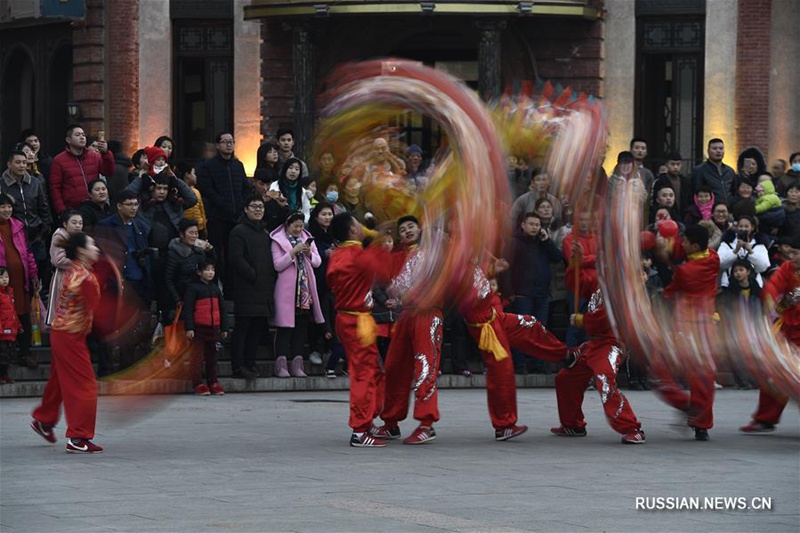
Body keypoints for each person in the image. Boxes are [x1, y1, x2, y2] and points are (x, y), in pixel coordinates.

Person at [462, 258, 575, 441]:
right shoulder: (451, 262)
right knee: (501, 370)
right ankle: (504, 425)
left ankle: (564, 354)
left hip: (493, 314)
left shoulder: (468, 255)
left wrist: (491, 270)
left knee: (529, 324)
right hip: (484, 324)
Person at [31, 232, 104, 453]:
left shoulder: (74, 271)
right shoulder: (84, 277)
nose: (96, 248)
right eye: (92, 245)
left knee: (60, 380)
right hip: (70, 336)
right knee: (84, 385)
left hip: (65, 333)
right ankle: (78, 436)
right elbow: (102, 312)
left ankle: (44, 419)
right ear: (81, 250)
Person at [373, 215, 443, 445]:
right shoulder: (399, 257)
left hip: (428, 313)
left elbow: (433, 282)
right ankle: (391, 422)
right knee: (394, 366)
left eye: (411, 226)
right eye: (402, 229)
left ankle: (426, 423)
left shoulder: (430, 254)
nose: (407, 231)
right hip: (406, 316)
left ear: (420, 229)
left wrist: (407, 295)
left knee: (425, 366)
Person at [326, 212, 394, 446]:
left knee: (372, 369)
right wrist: (380, 238)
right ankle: (359, 429)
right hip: (358, 320)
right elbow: (385, 269)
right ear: (353, 231)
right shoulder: (358, 256)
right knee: (364, 373)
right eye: (358, 224)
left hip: (347, 318)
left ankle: (367, 419)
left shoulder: (339, 255)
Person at [551, 282, 646, 444]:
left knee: (604, 379)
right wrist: (575, 261)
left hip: (612, 344)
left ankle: (632, 428)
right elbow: (576, 281)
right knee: (566, 378)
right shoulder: (598, 282)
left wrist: (582, 320)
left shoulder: (622, 288)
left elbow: (608, 316)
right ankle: (572, 424)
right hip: (594, 344)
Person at [653, 224, 719, 441]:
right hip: (706, 325)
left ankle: (686, 406)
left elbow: (675, 284)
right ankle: (701, 423)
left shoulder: (687, 272)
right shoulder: (713, 257)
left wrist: (663, 255)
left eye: (687, 241)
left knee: (661, 367)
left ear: (695, 245)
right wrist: (669, 244)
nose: (683, 244)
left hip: (687, 326)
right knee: (703, 376)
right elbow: (681, 253)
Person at [739, 235, 800, 433]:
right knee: (775, 371)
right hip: (790, 328)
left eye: (795, 253)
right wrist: (771, 300)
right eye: (791, 252)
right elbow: (774, 285)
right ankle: (766, 417)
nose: (791, 256)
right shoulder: (788, 268)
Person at [270, 211, 324, 378]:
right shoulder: (277, 241)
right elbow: (278, 265)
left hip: (304, 290)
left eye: (301, 226)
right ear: (288, 225)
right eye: (295, 226)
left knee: (301, 327)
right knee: (285, 327)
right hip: (287, 291)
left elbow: (317, 261)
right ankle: (281, 365)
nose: (298, 229)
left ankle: (297, 364)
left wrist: (308, 253)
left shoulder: (307, 238)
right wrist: (292, 252)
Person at [228, 195, 277, 379]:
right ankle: (238, 365)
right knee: (243, 328)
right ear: (246, 209)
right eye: (254, 206)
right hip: (246, 288)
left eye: (261, 207)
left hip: (263, 289)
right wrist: (253, 274)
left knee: (257, 329)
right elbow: (236, 259)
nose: (258, 209)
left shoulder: (265, 233)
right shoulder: (238, 231)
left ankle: (250, 362)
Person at [196, 132, 252, 285]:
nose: (229, 145)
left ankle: (231, 288)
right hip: (217, 217)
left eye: (231, 142)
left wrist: (241, 204)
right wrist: (221, 202)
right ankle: (213, 285)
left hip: (236, 218)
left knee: (233, 254)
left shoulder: (238, 165)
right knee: (216, 254)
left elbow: (245, 187)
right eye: (225, 142)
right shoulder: (208, 166)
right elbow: (207, 190)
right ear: (217, 145)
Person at [0, 193, 39, 369]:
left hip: (20, 280)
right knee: (5, 316)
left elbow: (28, 253)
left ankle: (25, 353)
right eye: (3, 207)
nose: (7, 210)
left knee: (23, 316)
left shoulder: (18, 226)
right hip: (3, 281)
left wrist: (33, 275)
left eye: (9, 206)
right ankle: (6, 359)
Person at [183, 258, 228, 396]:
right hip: (199, 328)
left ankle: (213, 382)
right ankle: (198, 383)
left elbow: (222, 309)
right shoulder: (193, 288)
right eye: (207, 270)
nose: (210, 273)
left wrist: (224, 327)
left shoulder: (215, 289)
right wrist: (189, 327)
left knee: (212, 357)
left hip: (213, 328)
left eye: (212, 270)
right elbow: (188, 309)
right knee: (197, 358)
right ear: (199, 272)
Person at [49, 124, 115, 214]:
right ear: (68, 139)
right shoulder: (59, 160)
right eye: (77, 135)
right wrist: (62, 210)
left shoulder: (94, 156)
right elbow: (55, 188)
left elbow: (108, 172)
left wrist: (106, 153)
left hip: (94, 206)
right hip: (72, 209)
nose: (82, 137)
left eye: (83, 135)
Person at [164, 219, 215, 317]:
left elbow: (210, 267)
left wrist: (210, 251)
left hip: (199, 296)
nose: (194, 236)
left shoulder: (199, 251)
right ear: (182, 234)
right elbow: (168, 278)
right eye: (191, 233)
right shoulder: (174, 253)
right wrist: (177, 300)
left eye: (196, 233)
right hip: (182, 296)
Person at [46, 210, 84, 326]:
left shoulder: (81, 236)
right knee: (62, 311)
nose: (78, 226)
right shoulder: (59, 236)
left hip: (78, 277)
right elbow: (59, 260)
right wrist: (80, 263)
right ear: (65, 224)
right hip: (63, 276)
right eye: (74, 222)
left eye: (80, 223)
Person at [717, 215, 770, 288]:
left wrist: (751, 251)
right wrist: (735, 251)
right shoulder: (727, 242)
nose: (743, 229)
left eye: (746, 226)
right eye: (740, 226)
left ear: (752, 227)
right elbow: (720, 263)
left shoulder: (759, 244)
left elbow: (763, 266)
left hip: (753, 284)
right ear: (736, 227)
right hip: (729, 283)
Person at [691, 138, 736, 204]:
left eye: (721, 148)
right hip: (709, 210)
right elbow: (696, 192)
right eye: (714, 149)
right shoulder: (699, 170)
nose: (718, 151)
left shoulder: (730, 171)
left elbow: (734, 191)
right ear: (708, 151)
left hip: (728, 210)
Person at [269, 158, 311, 223]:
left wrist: (302, 223)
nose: (293, 171)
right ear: (285, 169)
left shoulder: (302, 191)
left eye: (297, 169)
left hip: (296, 224)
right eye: (290, 168)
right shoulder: (275, 185)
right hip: (277, 221)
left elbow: (306, 211)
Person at [0, 266, 22, 383]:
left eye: (6, 277)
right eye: (2, 277)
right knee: (2, 355)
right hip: (2, 331)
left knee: (9, 355)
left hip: (11, 330)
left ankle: (5, 375)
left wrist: (18, 326)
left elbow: (13, 312)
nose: (5, 279)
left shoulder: (9, 293)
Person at [175, 160, 207, 239]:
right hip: (185, 230)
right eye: (193, 173)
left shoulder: (196, 191)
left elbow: (202, 211)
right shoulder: (177, 192)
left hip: (199, 229)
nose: (195, 176)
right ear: (187, 175)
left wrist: (204, 228)